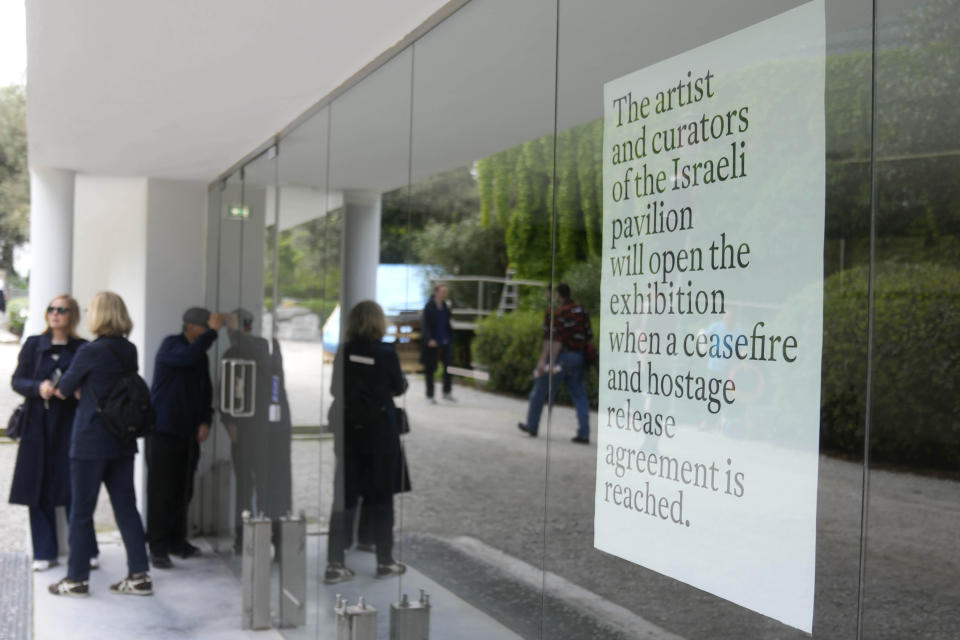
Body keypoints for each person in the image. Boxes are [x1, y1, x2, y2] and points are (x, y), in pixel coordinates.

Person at [48, 291, 151, 597]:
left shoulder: (90, 351)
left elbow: (63, 389)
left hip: (91, 441)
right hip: (122, 438)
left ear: (99, 315)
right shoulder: (128, 349)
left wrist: (75, 387)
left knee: (81, 511)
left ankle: (76, 580)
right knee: (126, 508)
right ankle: (139, 575)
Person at [9, 294, 98, 571]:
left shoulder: (82, 347)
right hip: (37, 424)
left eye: (62, 310)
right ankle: (44, 552)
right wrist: (39, 388)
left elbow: (90, 385)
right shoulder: (34, 345)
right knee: (37, 486)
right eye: (51, 309)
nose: (55, 314)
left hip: (69, 424)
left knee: (74, 486)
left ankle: (85, 550)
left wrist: (71, 391)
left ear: (72, 315)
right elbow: (17, 380)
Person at [324, 300, 409, 583]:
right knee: (382, 499)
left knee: (345, 500)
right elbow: (399, 387)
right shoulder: (386, 353)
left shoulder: (344, 352)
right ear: (378, 322)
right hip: (380, 437)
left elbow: (335, 388)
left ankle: (335, 562)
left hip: (349, 435)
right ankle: (384, 560)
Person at [146, 307, 222, 568]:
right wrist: (212, 332)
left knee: (184, 490)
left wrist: (205, 420)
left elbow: (205, 391)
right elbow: (187, 358)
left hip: (188, 433)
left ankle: (176, 541)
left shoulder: (198, 354)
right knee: (161, 491)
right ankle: (157, 547)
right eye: (203, 327)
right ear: (190, 326)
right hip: (164, 431)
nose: (206, 333)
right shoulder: (172, 346)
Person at [222, 308, 292, 553]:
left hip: (267, 432)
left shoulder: (265, 348)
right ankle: (244, 538)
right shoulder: (233, 354)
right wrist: (229, 422)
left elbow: (258, 356)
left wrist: (233, 329)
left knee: (268, 486)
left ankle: (273, 538)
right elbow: (226, 392)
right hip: (246, 431)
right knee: (245, 486)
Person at [517, 283, 592, 444]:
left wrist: (544, 361)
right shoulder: (582, 310)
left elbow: (555, 339)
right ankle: (584, 433)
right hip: (578, 357)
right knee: (579, 395)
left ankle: (532, 425)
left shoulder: (557, 313)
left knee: (540, 389)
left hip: (561, 357)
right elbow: (589, 334)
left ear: (557, 295)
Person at [420, 283, 455, 404]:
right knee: (430, 369)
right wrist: (429, 339)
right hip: (432, 342)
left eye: (446, 292)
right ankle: (430, 395)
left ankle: (447, 392)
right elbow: (425, 325)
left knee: (449, 367)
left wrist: (449, 337)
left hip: (445, 341)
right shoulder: (429, 307)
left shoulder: (446, 306)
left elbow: (448, 323)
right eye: (442, 292)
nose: (444, 294)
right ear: (436, 292)